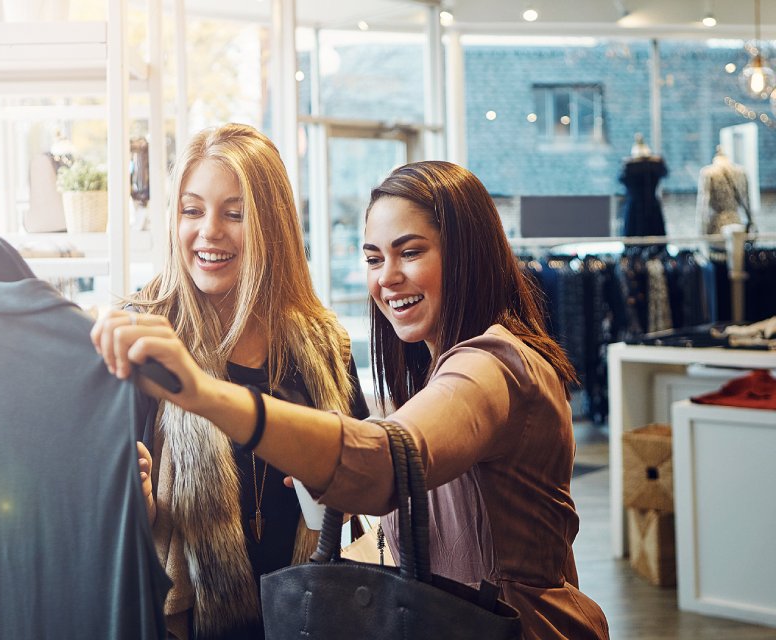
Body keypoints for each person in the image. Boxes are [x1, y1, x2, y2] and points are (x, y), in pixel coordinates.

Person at [93, 160, 611, 640]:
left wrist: (207, 395)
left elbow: (389, 460)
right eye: (373, 258)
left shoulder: (495, 366)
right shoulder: (435, 370)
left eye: (410, 252)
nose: (387, 277)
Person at [97, 123, 369, 640]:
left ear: (273, 226)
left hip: (312, 623)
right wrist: (140, 500)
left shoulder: (324, 347)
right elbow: (103, 529)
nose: (209, 232)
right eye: (192, 210)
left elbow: (367, 480)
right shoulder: (143, 338)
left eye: (235, 213)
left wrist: (340, 487)